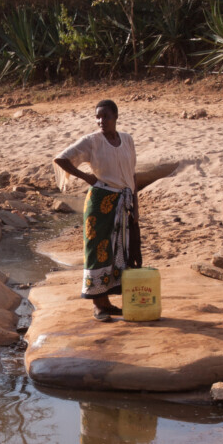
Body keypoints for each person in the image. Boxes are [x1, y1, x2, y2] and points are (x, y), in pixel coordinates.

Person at [54, 99, 141, 322]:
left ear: (116, 117)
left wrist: (136, 207)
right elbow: (61, 158)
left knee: (119, 250)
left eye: (106, 116)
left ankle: (108, 302)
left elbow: (132, 175)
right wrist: (87, 177)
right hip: (100, 203)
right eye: (98, 117)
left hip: (123, 203)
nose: (101, 121)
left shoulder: (127, 140)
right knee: (98, 250)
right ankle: (98, 306)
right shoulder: (92, 141)